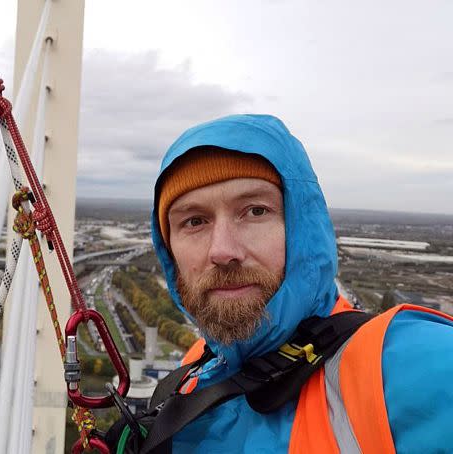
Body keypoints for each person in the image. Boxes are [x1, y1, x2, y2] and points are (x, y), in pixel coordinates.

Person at [146, 114, 453, 452]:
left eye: (255, 211)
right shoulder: (195, 372)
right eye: (194, 220)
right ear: (169, 249)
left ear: (303, 226)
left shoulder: (410, 367)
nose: (223, 251)